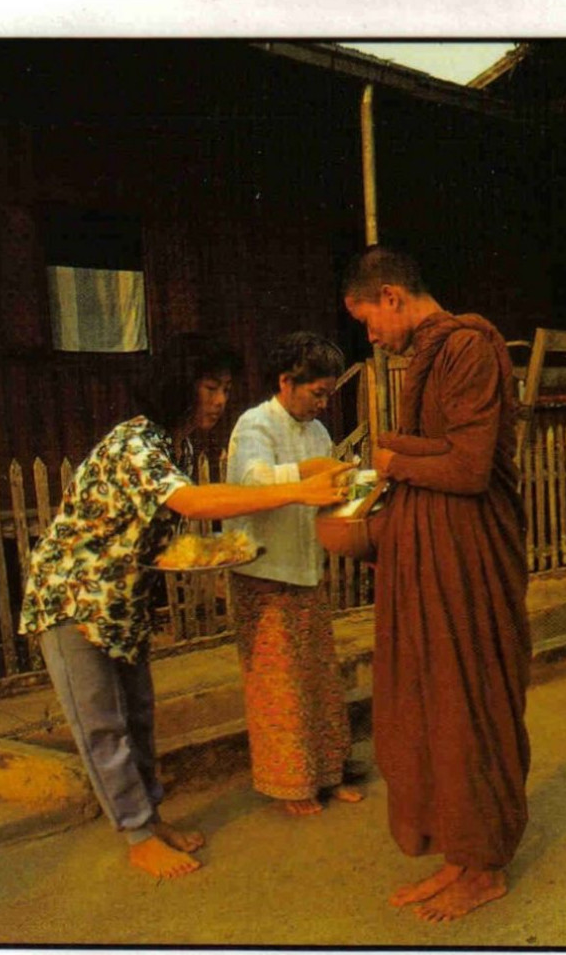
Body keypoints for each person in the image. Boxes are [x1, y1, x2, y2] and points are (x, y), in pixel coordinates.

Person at [19, 335, 352, 879]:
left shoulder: (177, 446)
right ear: (179, 385)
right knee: (103, 724)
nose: (220, 400)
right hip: (74, 599)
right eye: (210, 387)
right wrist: (295, 491)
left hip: (123, 598)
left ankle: (150, 817)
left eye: (224, 389)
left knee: (140, 716)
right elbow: (192, 503)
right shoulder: (136, 442)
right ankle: (135, 834)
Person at [343, 244, 531, 923]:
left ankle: (485, 868)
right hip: (435, 557)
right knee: (433, 710)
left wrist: (395, 456)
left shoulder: (467, 347)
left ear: (392, 296)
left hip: (469, 561)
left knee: (467, 704)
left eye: (368, 320)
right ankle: (459, 852)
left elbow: (471, 465)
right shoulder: (428, 352)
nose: (372, 336)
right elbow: (437, 449)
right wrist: (396, 454)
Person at [225, 331, 363, 816]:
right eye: (317, 393)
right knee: (278, 686)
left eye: (329, 394)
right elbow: (251, 480)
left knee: (319, 680)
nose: (324, 404)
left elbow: (324, 487)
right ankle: (291, 786)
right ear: (286, 382)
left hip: (306, 567)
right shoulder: (254, 425)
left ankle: (327, 773)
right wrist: (309, 472)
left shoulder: (319, 432)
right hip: (263, 571)